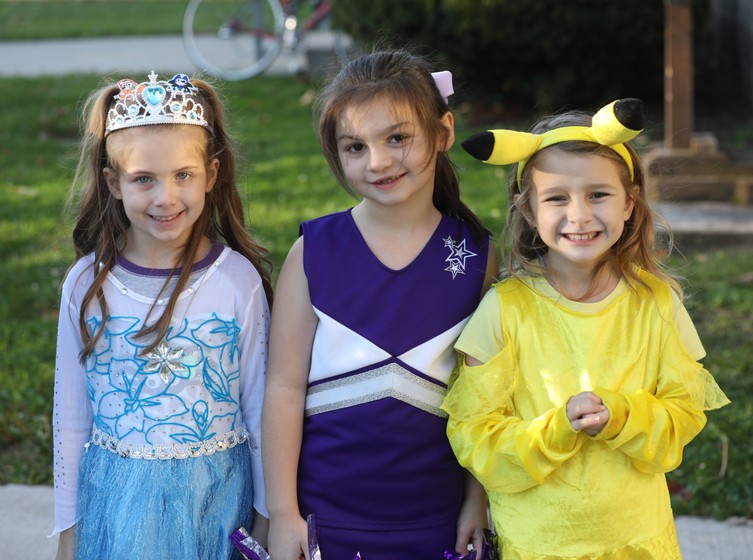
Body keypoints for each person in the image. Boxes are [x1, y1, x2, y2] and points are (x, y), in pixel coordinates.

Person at [442, 98, 730, 559]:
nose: (578, 216)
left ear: (630, 202)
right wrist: (557, 428)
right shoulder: (504, 310)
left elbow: (683, 415)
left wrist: (620, 416)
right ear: (530, 210)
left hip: (637, 543)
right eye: (557, 198)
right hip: (539, 545)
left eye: (598, 195)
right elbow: (478, 437)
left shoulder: (656, 304)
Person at [262, 50, 499, 559]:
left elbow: (486, 396)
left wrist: (475, 502)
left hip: (436, 522)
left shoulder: (478, 257)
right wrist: (284, 514)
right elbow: (283, 386)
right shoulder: (314, 251)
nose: (379, 162)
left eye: (397, 137)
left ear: (444, 131)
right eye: (355, 146)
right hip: (326, 520)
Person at [52, 71, 272, 560]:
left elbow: (259, 408)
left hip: (216, 501)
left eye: (183, 175)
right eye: (143, 179)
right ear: (113, 182)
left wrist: (265, 515)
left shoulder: (237, 282)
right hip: (118, 504)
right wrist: (69, 532)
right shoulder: (88, 287)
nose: (165, 197)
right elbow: (70, 420)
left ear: (211, 175)